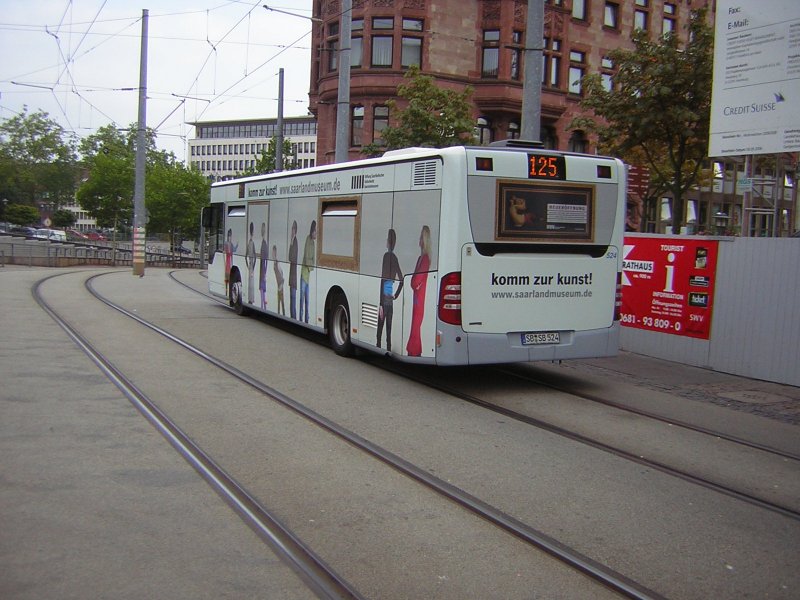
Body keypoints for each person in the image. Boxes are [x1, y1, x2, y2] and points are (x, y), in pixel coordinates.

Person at [377, 228, 403, 352]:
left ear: (388, 242)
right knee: (388, 331)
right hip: (390, 301)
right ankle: (388, 350)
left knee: (379, 330)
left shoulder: (386, 256)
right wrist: (395, 295)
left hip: (384, 300)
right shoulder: (395, 258)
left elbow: (383, 280)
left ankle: (378, 349)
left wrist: (380, 304)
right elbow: (402, 280)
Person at [406, 225, 431, 357]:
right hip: (417, 298)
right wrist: (414, 284)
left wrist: (415, 284)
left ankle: (414, 351)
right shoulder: (420, 258)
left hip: (419, 300)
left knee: (415, 326)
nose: (419, 240)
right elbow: (413, 282)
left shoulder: (425, 259)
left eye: (421, 237)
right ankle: (415, 350)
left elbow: (415, 281)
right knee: (414, 326)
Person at [299, 220, 316, 324]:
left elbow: (313, 260)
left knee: (307, 300)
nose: (316, 233)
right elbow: (306, 258)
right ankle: (301, 319)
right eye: (315, 231)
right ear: (312, 231)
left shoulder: (313, 243)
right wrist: (310, 266)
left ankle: (306, 320)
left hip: (307, 275)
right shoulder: (308, 239)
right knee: (302, 299)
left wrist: (310, 265)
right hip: (304, 274)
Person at [288, 220, 298, 319]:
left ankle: (293, 317)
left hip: (293, 276)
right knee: (291, 298)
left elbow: (291, 258)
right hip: (292, 276)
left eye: (292, 229)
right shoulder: (292, 241)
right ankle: (292, 317)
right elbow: (289, 257)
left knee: (293, 299)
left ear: (294, 230)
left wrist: (291, 244)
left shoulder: (295, 242)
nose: (291, 231)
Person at [272, 244, 285, 315]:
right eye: (272, 253)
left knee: (282, 303)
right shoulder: (274, 263)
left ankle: (284, 316)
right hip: (278, 286)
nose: (273, 254)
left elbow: (282, 275)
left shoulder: (277, 263)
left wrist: (280, 286)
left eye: (274, 253)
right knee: (279, 304)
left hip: (280, 286)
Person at [245, 221, 256, 305]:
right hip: (251, 264)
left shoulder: (249, 243)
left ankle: (250, 299)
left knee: (250, 282)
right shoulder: (252, 243)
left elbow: (245, 256)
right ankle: (251, 299)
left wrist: (247, 265)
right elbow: (255, 256)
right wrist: (253, 267)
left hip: (250, 264)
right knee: (251, 282)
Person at [258, 222, 268, 309]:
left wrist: (265, 273)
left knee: (262, 288)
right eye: (262, 229)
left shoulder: (264, 243)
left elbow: (265, 259)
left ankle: (263, 306)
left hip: (263, 268)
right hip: (262, 268)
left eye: (263, 230)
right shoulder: (263, 242)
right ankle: (263, 306)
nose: (262, 231)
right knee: (262, 289)